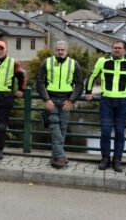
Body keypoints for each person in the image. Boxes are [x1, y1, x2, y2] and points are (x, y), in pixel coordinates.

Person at [85, 40, 126, 172]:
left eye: (120, 48)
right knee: (105, 132)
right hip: (106, 100)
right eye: (115, 48)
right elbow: (92, 76)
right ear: (111, 49)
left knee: (120, 132)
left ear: (124, 50)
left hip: (123, 101)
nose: (117, 50)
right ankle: (105, 159)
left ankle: (117, 160)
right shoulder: (102, 61)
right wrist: (88, 92)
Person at [36, 41, 83, 169]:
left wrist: (71, 100)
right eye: (58, 50)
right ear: (54, 50)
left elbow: (80, 84)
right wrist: (46, 99)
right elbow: (39, 81)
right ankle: (61, 157)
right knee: (54, 127)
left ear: (66, 51)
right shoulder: (47, 62)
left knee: (62, 129)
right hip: (51, 100)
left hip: (66, 101)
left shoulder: (74, 64)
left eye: (63, 50)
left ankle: (55, 156)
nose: (60, 52)